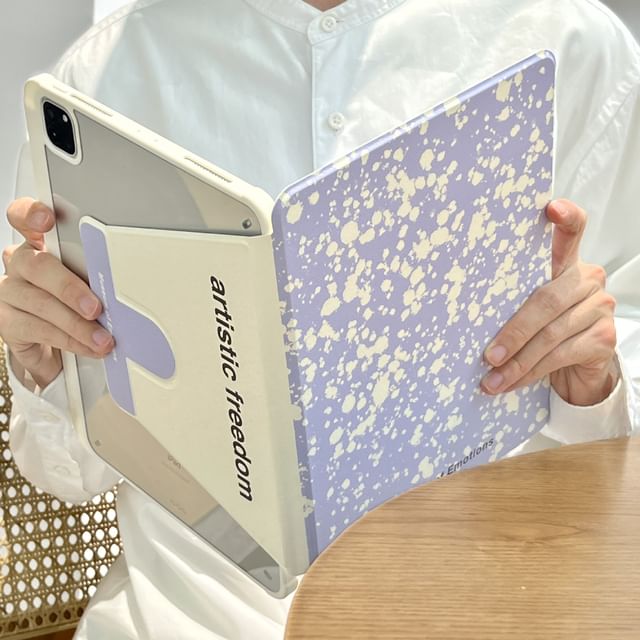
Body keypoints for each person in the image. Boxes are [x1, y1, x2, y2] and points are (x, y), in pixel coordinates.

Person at [2, 0, 640, 637]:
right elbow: (65, 475)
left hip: (492, 599)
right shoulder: (104, 76)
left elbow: (623, 349)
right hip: (189, 615)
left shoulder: (569, 41)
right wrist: (49, 365)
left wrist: (597, 383)